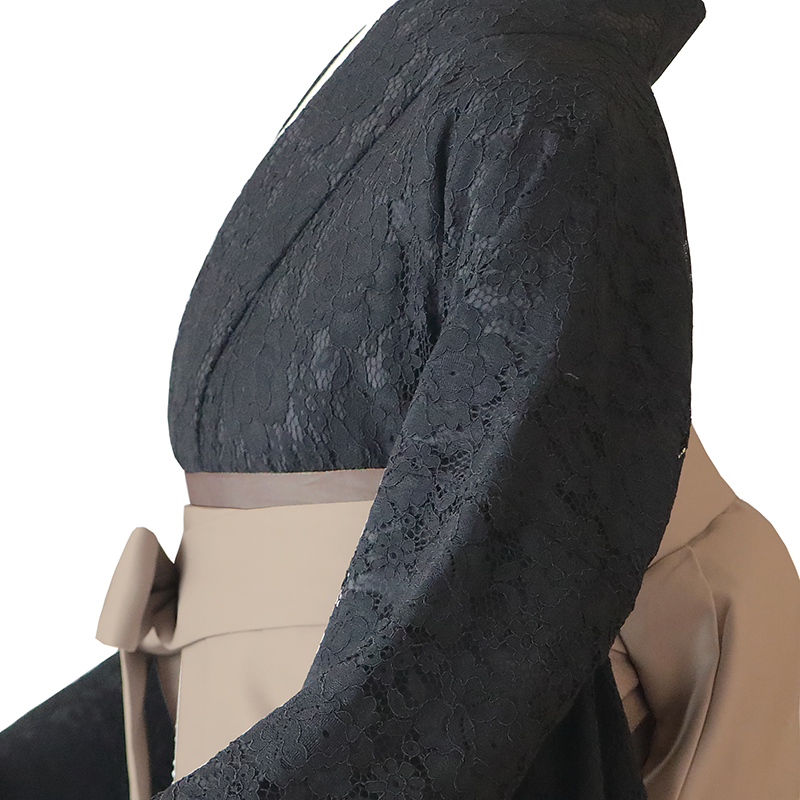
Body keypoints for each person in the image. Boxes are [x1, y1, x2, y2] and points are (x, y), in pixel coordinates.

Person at [2, 0, 799, 798]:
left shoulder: (551, 104)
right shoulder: (464, 64)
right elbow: (239, 619)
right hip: (271, 709)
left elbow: (476, 611)